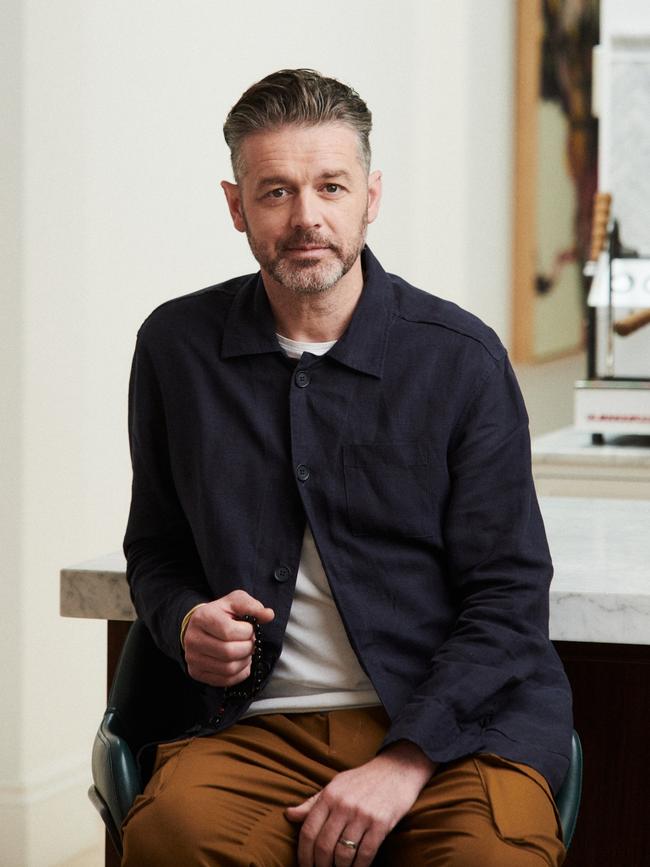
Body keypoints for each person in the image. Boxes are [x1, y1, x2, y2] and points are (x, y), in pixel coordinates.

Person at [121, 68, 572, 867]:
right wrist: (186, 619)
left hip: (451, 730)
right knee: (170, 841)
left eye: (331, 186)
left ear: (371, 195)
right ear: (236, 207)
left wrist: (405, 760)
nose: (307, 219)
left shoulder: (460, 359)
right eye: (275, 192)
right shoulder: (175, 349)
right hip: (246, 728)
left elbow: (507, 597)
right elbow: (154, 551)